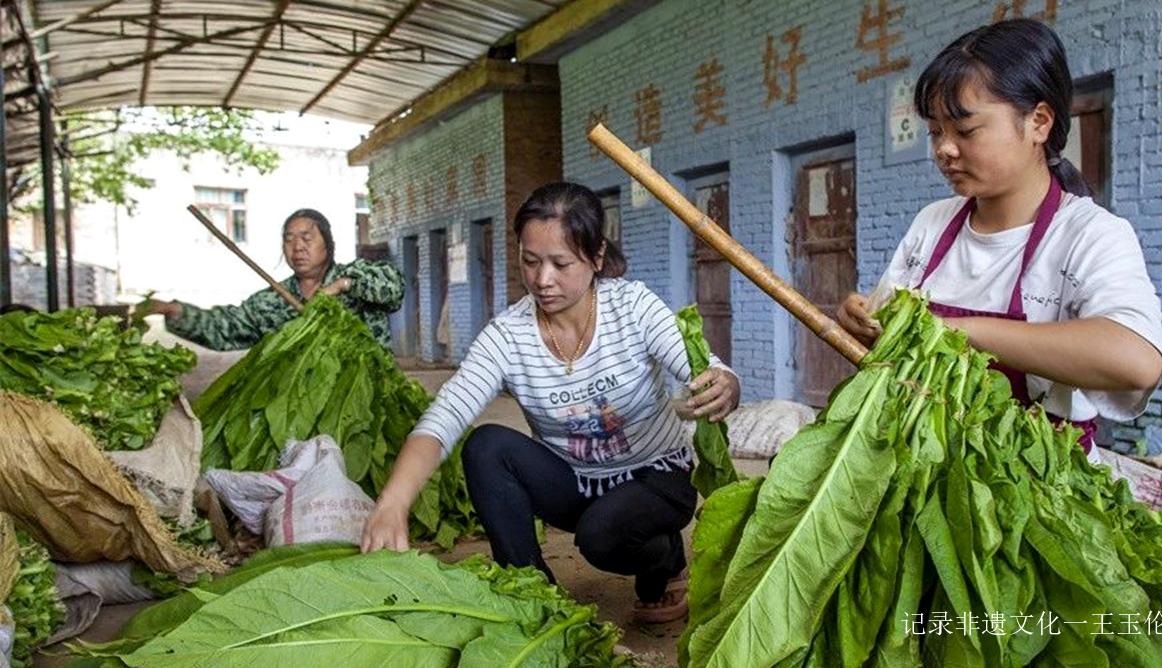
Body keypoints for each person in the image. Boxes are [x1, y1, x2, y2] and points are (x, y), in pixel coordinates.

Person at [361, 182, 740, 623]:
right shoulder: (509, 334)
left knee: (602, 538)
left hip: (655, 476)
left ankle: (665, 559)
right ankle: (534, 595)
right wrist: (392, 502)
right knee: (485, 447)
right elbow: (444, 416)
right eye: (530, 261)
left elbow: (705, 367)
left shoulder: (633, 308)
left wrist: (724, 384)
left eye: (561, 263)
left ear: (596, 257)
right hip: (577, 482)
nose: (543, 280)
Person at [836, 19, 1162, 450]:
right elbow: (885, 343)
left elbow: (1136, 361)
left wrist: (951, 330)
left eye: (965, 130)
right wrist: (859, 322)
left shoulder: (1090, 234)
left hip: (1033, 484)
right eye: (935, 131)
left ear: (1039, 122)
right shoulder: (932, 223)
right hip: (922, 466)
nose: (943, 149)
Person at [145, 208, 404, 350]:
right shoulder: (270, 302)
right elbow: (226, 327)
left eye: (307, 237)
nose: (298, 247)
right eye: (289, 239)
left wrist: (341, 286)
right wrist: (176, 311)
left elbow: (393, 287)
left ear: (328, 243)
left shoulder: (356, 277)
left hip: (365, 400)